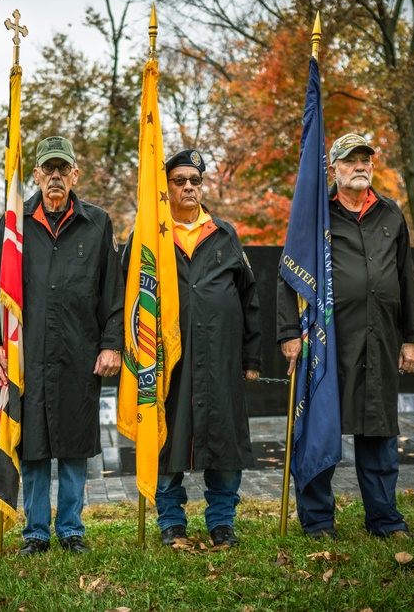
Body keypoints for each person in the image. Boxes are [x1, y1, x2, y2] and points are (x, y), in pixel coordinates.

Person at [278, 133, 414, 539]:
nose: (360, 166)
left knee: (378, 431)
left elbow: (405, 279)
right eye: (350, 160)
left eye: (366, 159)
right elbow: (288, 276)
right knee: (319, 431)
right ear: (332, 169)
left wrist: (412, 338)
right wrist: (290, 333)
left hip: (380, 341)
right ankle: (318, 521)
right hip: (326, 344)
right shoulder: (314, 215)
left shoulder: (391, 213)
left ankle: (385, 519)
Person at [0, 135, 124, 555]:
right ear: (37, 175)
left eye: (63, 169)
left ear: (75, 174)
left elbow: (112, 294)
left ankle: (72, 528)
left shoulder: (97, 223)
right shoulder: (13, 225)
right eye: (48, 169)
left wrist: (112, 344)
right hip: (28, 357)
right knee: (34, 445)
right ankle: (36, 533)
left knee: (76, 446)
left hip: (81, 353)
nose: (55, 176)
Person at [130, 148, 262, 549]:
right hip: (168, 364)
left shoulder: (224, 233)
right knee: (168, 442)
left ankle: (222, 521)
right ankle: (172, 522)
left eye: (195, 181)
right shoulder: (148, 237)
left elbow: (248, 298)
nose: (188, 187)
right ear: (165, 188)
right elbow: (130, 300)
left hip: (220, 363)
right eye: (179, 181)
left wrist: (251, 358)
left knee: (224, 445)